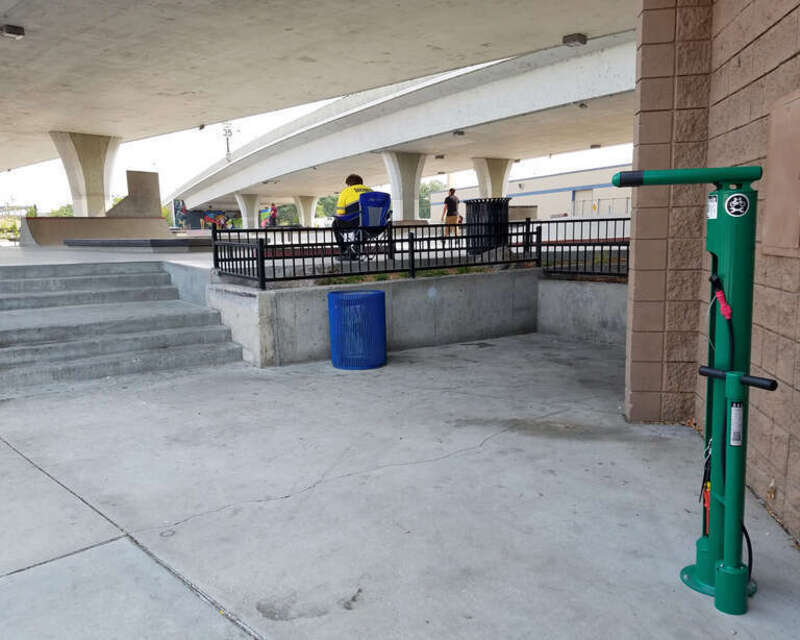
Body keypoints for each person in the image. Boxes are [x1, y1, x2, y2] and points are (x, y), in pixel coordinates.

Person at [333, 174, 371, 259]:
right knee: (362, 226)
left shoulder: (346, 191)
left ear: (349, 184)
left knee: (335, 224)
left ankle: (344, 250)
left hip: (353, 222)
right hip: (371, 224)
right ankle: (357, 247)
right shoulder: (370, 191)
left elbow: (340, 212)